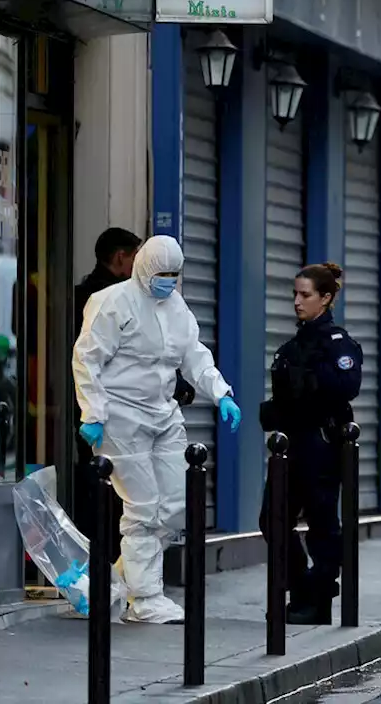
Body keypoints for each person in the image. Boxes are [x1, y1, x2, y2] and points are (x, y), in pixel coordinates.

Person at [73, 235, 242, 624]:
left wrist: (221, 394)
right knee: (143, 508)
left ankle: (110, 582)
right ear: (143, 266)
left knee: (176, 506)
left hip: (163, 415)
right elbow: (87, 359)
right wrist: (93, 413)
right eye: (161, 272)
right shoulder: (112, 302)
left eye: (174, 274)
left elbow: (195, 355)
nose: (167, 280)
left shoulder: (175, 307)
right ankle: (145, 599)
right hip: (121, 416)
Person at [259, 262, 363, 625]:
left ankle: (318, 597)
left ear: (326, 298)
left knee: (322, 525)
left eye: (305, 295)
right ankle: (303, 588)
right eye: (295, 294)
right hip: (290, 445)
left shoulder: (337, 344)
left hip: (321, 444)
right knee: (272, 519)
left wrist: (309, 384)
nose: (297, 302)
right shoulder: (292, 346)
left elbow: (346, 386)